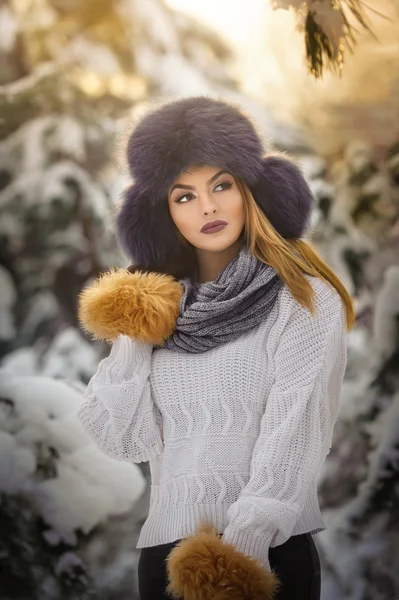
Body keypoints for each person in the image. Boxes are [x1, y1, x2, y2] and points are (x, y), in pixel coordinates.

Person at [77, 97, 355, 600]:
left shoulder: (303, 299)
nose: (206, 206)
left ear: (253, 191)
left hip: (261, 560)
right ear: (162, 215)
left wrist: (239, 554)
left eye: (221, 185)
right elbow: (123, 441)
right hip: (164, 560)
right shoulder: (163, 309)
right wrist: (136, 329)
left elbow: (295, 435)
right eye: (183, 196)